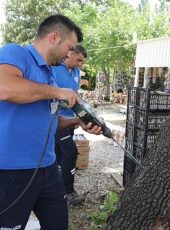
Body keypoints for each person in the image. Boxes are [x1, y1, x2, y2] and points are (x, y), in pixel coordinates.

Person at [0, 14, 101, 229]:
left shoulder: (50, 74)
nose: (70, 54)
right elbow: (5, 88)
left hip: (48, 169)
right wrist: (58, 92)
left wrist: (77, 121)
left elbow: (49, 122)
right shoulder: (16, 53)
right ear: (54, 37)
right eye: (70, 47)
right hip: (11, 173)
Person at [53, 44, 87, 205]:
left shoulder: (76, 73)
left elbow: (75, 96)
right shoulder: (54, 68)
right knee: (70, 152)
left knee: (59, 156)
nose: (80, 64)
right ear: (71, 54)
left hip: (70, 121)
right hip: (55, 121)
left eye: (82, 62)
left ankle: (56, 189)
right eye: (79, 60)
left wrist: (80, 114)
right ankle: (68, 192)